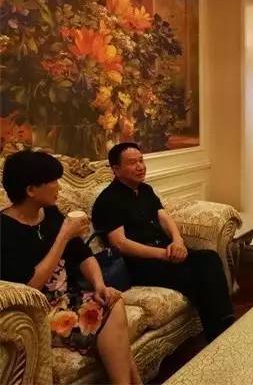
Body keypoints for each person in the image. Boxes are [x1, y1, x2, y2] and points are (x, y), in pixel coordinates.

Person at [0, 150, 140, 384]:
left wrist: (99, 285)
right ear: (31, 190)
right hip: (39, 314)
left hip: (69, 298)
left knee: (113, 299)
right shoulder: (5, 230)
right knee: (111, 318)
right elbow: (30, 287)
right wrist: (64, 236)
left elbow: (83, 255)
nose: (59, 187)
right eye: (53, 181)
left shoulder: (50, 213)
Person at [91, 142, 234, 342]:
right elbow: (120, 244)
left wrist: (178, 242)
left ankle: (225, 325)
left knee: (209, 258)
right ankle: (219, 336)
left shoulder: (145, 190)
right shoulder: (108, 201)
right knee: (197, 275)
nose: (140, 166)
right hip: (139, 265)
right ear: (116, 169)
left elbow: (164, 217)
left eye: (141, 160)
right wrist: (163, 254)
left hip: (165, 253)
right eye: (132, 163)